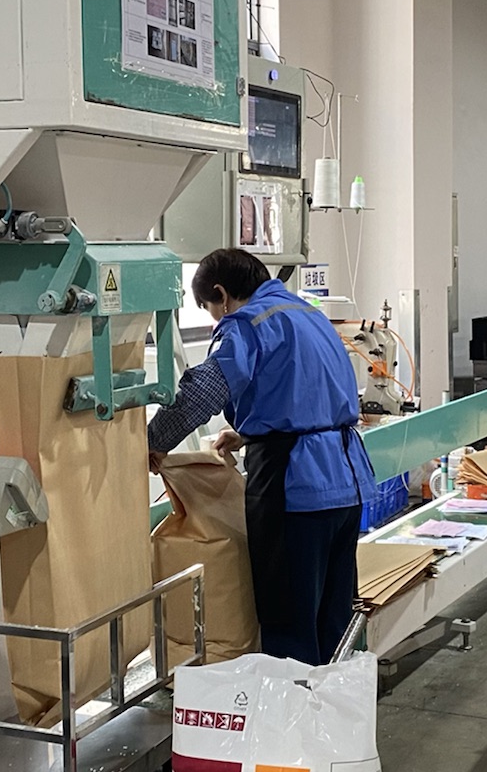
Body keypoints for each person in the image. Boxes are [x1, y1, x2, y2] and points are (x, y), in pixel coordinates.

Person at [146, 249, 376, 664]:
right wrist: (248, 434)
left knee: (289, 624)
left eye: (211, 309)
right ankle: (334, 701)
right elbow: (306, 395)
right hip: (347, 482)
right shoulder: (309, 315)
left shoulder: (248, 324)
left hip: (296, 485)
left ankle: (293, 705)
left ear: (222, 294)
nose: (216, 319)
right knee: (333, 618)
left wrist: (153, 440)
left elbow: (204, 390)